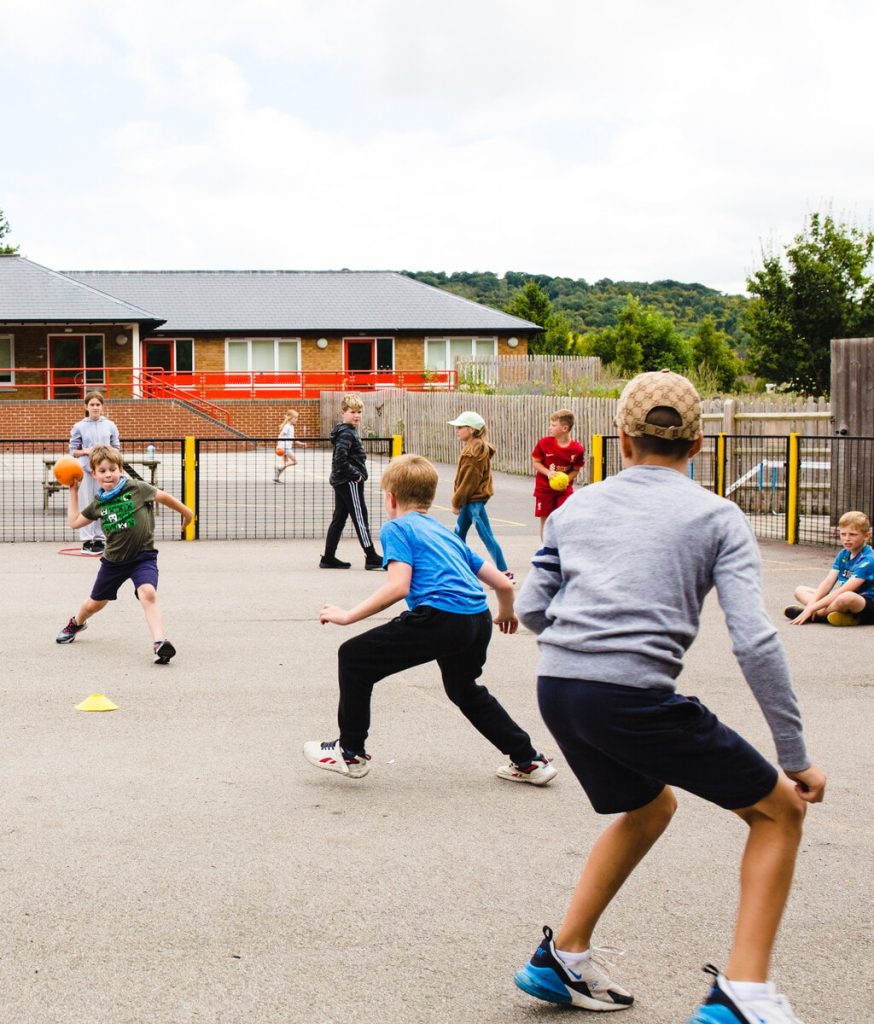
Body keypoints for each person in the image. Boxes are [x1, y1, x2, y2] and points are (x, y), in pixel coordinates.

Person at [513, 370, 826, 1023]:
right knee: (779, 814)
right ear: (699, 444)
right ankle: (745, 993)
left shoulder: (576, 507)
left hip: (559, 688)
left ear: (622, 441)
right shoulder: (717, 516)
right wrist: (794, 758)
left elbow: (533, 605)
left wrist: (579, 647)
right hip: (628, 696)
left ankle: (562, 957)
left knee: (649, 806)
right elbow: (755, 642)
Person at [303, 453, 556, 785]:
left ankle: (350, 752)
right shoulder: (445, 533)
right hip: (476, 619)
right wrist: (506, 611)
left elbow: (398, 586)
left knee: (353, 657)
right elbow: (502, 583)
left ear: (390, 498)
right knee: (465, 689)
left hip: (441, 617)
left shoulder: (397, 528)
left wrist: (348, 616)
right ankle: (529, 760)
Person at [55, 444, 193, 665]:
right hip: (114, 562)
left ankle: (160, 643)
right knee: (95, 604)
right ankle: (77, 622)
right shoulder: (100, 503)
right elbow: (74, 522)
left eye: (112, 469)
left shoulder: (136, 488)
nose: (108, 474)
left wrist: (187, 513)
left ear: (120, 469)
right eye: (102, 470)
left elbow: (164, 497)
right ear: (94, 474)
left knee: (147, 592)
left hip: (143, 557)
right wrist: (73, 491)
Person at [320, 394, 384, 570]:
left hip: (342, 481)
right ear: (343, 413)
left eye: (359, 412)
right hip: (348, 482)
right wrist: (356, 475)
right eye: (352, 412)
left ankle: (328, 557)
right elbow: (340, 459)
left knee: (339, 518)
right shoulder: (347, 433)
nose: (356, 415)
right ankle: (371, 556)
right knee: (360, 516)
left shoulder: (346, 431)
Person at [449, 411, 513, 581]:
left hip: (473, 500)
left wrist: (456, 502)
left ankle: (504, 572)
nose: (457, 430)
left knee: (486, 535)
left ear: (471, 430)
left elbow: (469, 482)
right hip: (469, 500)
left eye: (460, 427)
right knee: (457, 536)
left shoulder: (475, 452)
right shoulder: (471, 449)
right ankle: (456, 569)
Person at [784, 510, 874, 626]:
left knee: (846, 597)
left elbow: (844, 590)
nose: (847, 538)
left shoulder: (869, 559)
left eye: (853, 534)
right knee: (800, 590)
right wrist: (812, 605)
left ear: (866, 536)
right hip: (841, 600)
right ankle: (834, 615)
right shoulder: (843, 554)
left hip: (865, 602)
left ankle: (818, 615)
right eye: (843, 534)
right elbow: (827, 583)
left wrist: (811, 608)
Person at [69, 391, 120, 553]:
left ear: (102, 406)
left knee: (103, 502)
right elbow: (73, 451)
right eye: (92, 404)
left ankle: (99, 538)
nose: (95, 407)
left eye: (98, 404)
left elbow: (116, 448)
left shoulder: (110, 425)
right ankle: (86, 539)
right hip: (86, 469)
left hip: (105, 471)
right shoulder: (79, 426)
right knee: (87, 502)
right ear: (86, 407)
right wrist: (86, 451)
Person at [532, 408, 586, 538]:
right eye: (550, 424)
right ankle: (546, 548)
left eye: (553, 425)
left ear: (565, 428)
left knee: (563, 518)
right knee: (545, 519)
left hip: (563, 489)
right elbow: (536, 462)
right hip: (544, 489)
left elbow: (576, 470)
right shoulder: (544, 443)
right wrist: (548, 473)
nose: (550, 427)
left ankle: (561, 546)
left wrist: (567, 479)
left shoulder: (577, 449)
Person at [274, 408, 307, 483]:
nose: (296, 420)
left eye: (297, 418)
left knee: (285, 463)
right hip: (285, 448)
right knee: (295, 461)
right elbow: (280, 435)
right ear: (290, 418)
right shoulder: (287, 426)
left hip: (285, 448)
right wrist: (278, 445)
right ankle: (278, 467)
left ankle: (276, 477)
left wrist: (301, 443)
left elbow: (292, 439)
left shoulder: (291, 427)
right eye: (295, 418)